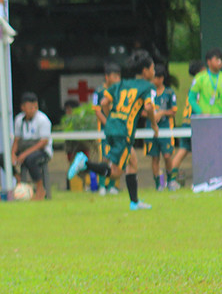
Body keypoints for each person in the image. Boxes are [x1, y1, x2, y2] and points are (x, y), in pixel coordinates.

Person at [68, 49, 159, 210]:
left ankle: (134, 202)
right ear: (145, 71)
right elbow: (149, 107)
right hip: (124, 132)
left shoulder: (121, 84)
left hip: (110, 127)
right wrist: (153, 124)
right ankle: (85, 163)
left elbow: (103, 103)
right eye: (153, 68)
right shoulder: (148, 87)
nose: (154, 71)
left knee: (132, 162)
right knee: (116, 172)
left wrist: (113, 120)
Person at [167, 59, 203, 191]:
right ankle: (202, 178)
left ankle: (171, 179)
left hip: (185, 122)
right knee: (201, 151)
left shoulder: (192, 88)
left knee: (182, 150)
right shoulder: (201, 86)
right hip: (195, 123)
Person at [8, 91, 52, 200]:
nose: (33, 110)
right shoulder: (19, 120)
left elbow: (43, 142)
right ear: (23, 107)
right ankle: (20, 181)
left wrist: (24, 154)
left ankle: (40, 187)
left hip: (42, 151)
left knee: (30, 159)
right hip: (24, 149)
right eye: (30, 108)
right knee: (2, 158)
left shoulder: (43, 120)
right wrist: (12, 153)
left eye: (35, 107)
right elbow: (17, 139)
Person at [146, 63, 176, 191]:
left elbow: (174, 111)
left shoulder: (169, 92)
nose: (153, 81)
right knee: (155, 157)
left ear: (161, 78)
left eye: (155, 78)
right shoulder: (148, 93)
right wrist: (151, 115)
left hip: (165, 128)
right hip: (151, 129)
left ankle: (170, 180)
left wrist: (162, 113)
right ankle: (158, 184)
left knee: (167, 155)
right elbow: (142, 110)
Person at [94, 62, 122, 195]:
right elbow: (97, 111)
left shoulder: (119, 91)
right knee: (104, 157)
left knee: (115, 157)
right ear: (107, 77)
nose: (118, 80)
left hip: (117, 132)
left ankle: (112, 185)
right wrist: (108, 124)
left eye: (119, 77)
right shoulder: (99, 91)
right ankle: (101, 186)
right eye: (115, 77)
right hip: (104, 132)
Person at [189, 48, 222, 115]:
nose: (220, 62)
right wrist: (200, 113)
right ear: (209, 62)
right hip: (206, 119)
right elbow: (191, 98)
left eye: (221, 60)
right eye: (217, 59)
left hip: (221, 118)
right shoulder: (200, 78)